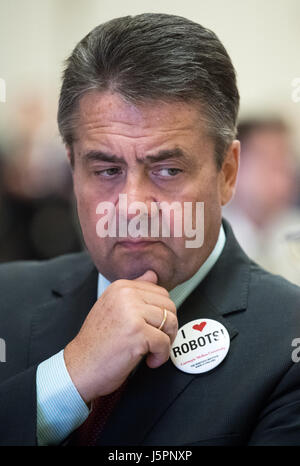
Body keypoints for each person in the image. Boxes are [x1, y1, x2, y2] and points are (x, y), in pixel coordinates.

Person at [1, 13, 300, 447]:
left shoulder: (287, 341)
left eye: (167, 169)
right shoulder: (7, 299)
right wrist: (63, 381)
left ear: (227, 173)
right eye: (106, 170)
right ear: (72, 170)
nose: (133, 206)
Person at [223, 117, 300, 286]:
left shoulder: (295, 228)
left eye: (286, 157)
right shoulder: (211, 238)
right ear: (233, 166)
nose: (283, 169)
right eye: (268, 159)